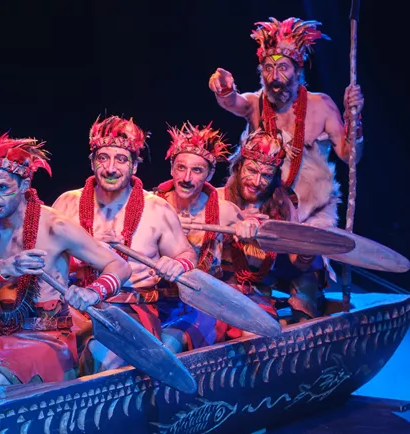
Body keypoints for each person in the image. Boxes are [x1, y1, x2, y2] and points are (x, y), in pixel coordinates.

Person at [0, 124, 131, 387]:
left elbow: (119, 265)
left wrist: (93, 292)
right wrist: (4, 269)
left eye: (2, 187)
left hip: (48, 340)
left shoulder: (55, 226)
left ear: (25, 184)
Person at [208, 17, 365, 318]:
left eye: (283, 68)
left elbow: (349, 156)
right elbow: (234, 102)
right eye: (268, 68)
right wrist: (223, 89)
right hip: (262, 209)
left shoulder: (321, 105)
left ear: (298, 70)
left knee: (304, 283)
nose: (274, 76)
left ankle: (306, 298)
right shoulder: (256, 104)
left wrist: (353, 118)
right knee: (245, 276)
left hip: (308, 213)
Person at [52, 115, 196, 370]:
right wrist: (85, 252)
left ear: (135, 166)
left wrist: (178, 265)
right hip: (73, 309)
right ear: (92, 162)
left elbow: (187, 254)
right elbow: (47, 257)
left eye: (120, 159)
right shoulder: (67, 203)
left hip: (131, 311)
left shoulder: (157, 209)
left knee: (100, 357)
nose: (110, 168)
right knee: (46, 359)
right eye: (103, 158)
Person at [153, 121, 260, 344]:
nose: (186, 178)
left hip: (203, 304)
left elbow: (256, 251)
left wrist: (250, 227)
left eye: (197, 170)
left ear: (210, 174)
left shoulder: (225, 211)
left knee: (169, 343)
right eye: (181, 168)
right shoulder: (152, 206)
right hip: (155, 300)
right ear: (171, 168)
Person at [217, 129, 322, 336]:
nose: (257, 182)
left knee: (277, 326)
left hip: (259, 292)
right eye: (251, 170)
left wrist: (307, 251)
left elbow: (298, 263)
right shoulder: (217, 199)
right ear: (238, 166)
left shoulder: (282, 205)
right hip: (220, 291)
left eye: (266, 175)